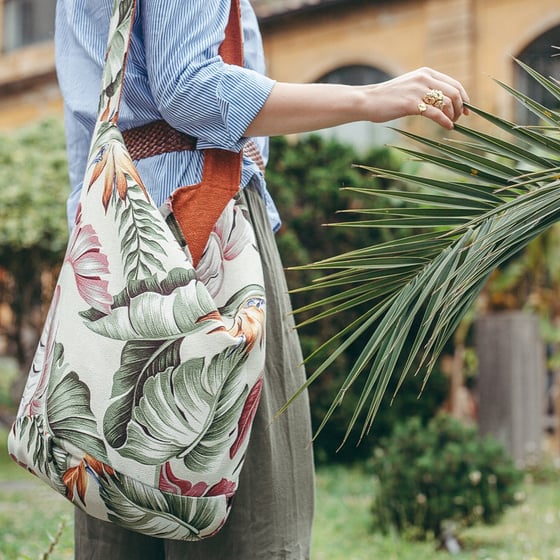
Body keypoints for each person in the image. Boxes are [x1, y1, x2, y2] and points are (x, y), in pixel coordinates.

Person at [55, 1, 470, 558]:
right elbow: (190, 89)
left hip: (114, 238)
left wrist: (95, 257)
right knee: (250, 517)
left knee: (120, 508)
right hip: (205, 230)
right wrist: (368, 99)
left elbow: (86, 134)